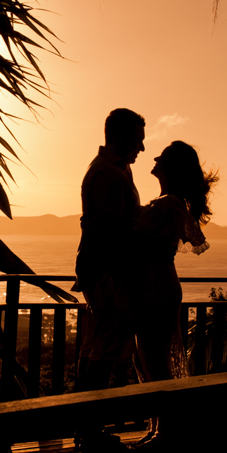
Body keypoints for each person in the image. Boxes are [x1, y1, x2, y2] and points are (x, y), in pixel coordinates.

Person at [129, 140, 217, 453]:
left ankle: (165, 432)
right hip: (160, 283)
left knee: (153, 360)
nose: (154, 158)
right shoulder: (170, 203)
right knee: (151, 359)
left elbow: (134, 235)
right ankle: (161, 428)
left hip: (155, 284)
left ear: (170, 168)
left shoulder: (167, 204)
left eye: (162, 157)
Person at [74, 108, 146, 399]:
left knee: (97, 342)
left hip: (102, 267)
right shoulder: (107, 173)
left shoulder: (117, 168)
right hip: (107, 268)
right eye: (137, 140)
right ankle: (90, 424)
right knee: (106, 345)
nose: (141, 147)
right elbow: (112, 231)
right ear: (119, 137)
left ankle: (84, 422)